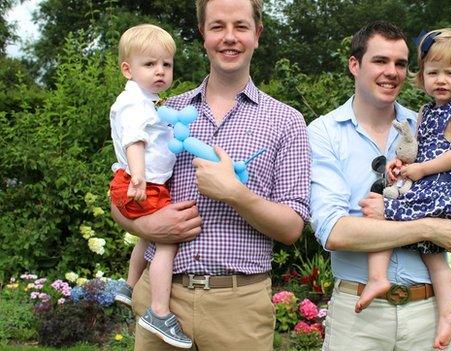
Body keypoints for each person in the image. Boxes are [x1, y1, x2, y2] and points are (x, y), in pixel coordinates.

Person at [111, 0, 310, 350]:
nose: (229, 37)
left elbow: (292, 228)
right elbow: (122, 194)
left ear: (257, 35)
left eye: (241, 26)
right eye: (218, 26)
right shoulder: (164, 111)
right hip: (163, 300)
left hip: (239, 308)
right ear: (203, 34)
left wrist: (236, 193)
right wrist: (145, 227)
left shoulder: (286, 121)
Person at [309, 21, 451, 351]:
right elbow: (334, 232)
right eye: (380, 61)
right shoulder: (323, 133)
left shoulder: (428, 125)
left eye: (401, 63)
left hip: (430, 312)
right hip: (358, 317)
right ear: (355, 65)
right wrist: (427, 227)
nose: (392, 72)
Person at [357, 28, 451, 350]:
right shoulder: (425, 111)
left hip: (450, 188)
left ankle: (378, 277)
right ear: (421, 76)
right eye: (432, 72)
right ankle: (448, 311)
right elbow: (415, 148)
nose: (441, 80)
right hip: (428, 184)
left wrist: (420, 170)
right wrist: (399, 162)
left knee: (383, 213)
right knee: (433, 256)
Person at [108, 24, 192, 348]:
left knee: (146, 237)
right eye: (150, 64)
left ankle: (129, 287)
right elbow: (134, 139)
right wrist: (139, 176)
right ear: (127, 69)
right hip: (141, 182)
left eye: (166, 65)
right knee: (166, 242)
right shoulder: (134, 104)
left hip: (144, 182)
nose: (160, 71)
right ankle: (158, 311)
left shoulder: (149, 100)